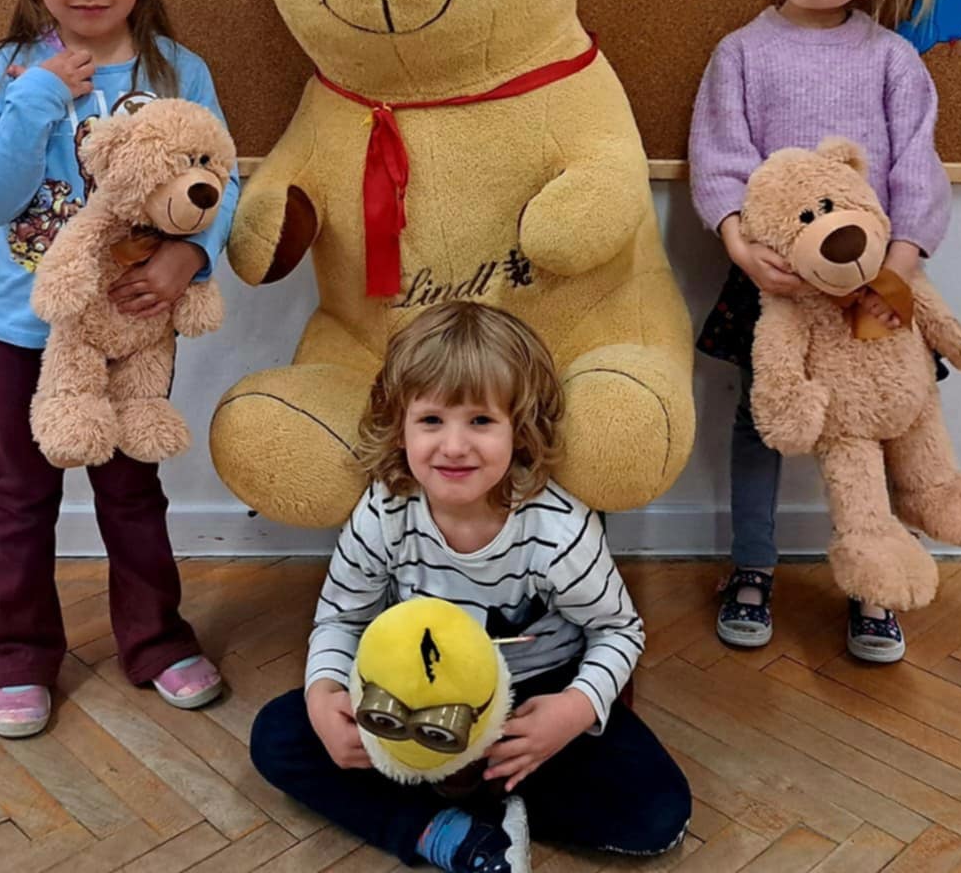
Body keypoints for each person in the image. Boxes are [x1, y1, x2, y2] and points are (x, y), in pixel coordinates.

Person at [249, 302, 691, 872]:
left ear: (520, 428)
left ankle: (478, 793)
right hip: (411, 700)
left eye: (480, 421)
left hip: (529, 700)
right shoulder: (385, 510)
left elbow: (618, 631)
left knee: (659, 814)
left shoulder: (558, 528)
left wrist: (572, 711)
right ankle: (445, 831)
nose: (454, 446)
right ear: (400, 425)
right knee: (278, 737)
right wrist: (321, 696)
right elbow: (340, 617)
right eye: (432, 420)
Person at [0, 0, 238, 737]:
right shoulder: (7, 70)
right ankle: (16, 655)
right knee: (23, 494)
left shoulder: (178, 73)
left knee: (132, 490)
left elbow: (220, 181)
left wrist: (191, 258)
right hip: (21, 326)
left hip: (133, 329)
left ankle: (155, 639)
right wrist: (40, 96)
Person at [689, 0, 951, 663]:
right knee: (761, 422)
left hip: (875, 283)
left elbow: (917, 172)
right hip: (772, 284)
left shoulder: (892, 62)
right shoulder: (740, 53)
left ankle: (877, 582)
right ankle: (751, 567)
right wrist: (741, 245)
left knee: (879, 425)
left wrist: (896, 271)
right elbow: (720, 159)